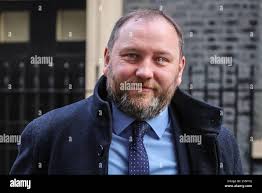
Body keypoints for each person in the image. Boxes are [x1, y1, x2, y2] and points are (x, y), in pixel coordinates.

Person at [10, 9, 242, 175]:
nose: (144, 72)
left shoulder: (218, 143)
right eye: (132, 56)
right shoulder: (47, 136)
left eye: (161, 59)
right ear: (108, 59)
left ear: (179, 68)